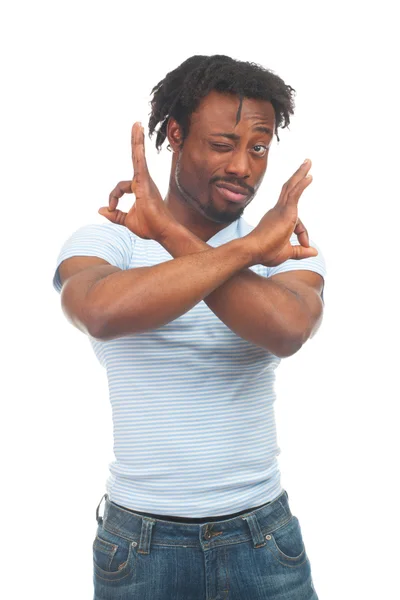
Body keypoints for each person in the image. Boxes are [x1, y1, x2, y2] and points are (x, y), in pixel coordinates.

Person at [53, 54, 325, 599]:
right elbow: (100, 312)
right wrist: (245, 248)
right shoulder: (113, 240)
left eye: (259, 147)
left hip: (263, 542)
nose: (244, 168)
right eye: (223, 144)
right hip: (139, 548)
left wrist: (176, 235)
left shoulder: (282, 248)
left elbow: (288, 328)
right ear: (174, 135)